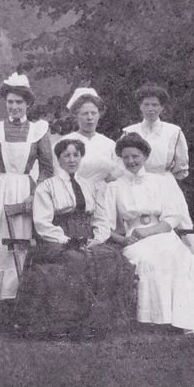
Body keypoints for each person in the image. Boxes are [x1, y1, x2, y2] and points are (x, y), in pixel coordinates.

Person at [18, 138, 135, 336]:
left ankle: (103, 320)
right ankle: (74, 323)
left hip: (87, 239)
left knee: (112, 257)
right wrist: (67, 241)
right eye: (66, 156)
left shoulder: (90, 185)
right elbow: (42, 223)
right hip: (56, 242)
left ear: (81, 157)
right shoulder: (47, 187)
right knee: (77, 260)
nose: (72, 160)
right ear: (59, 159)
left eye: (76, 155)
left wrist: (97, 239)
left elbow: (100, 218)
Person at [106, 133, 194, 333]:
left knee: (184, 260)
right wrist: (123, 239)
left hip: (162, 234)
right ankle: (157, 319)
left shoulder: (160, 182)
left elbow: (172, 218)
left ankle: (183, 319)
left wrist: (148, 231)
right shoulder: (115, 187)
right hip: (134, 240)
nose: (131, 161)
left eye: (135, 156)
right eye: (126, 157)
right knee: (150, 260)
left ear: (145, 157)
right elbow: (106, 226)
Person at [0, 72, 54, 300]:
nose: (14, 107)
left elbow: (47, 169)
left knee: (22, 242)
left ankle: (19, 296)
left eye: (19, 102)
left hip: (27, 190)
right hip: (0, 187)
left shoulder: (38, 130)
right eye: (10, 102)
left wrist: (36, 194)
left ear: (28, 104)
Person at [121, 83, 189, 182]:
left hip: (163, 185)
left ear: (162, 107)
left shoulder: (173, 132)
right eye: (146, 104)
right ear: (140, 106)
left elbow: (180, 168)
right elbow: (121, 163)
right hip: (136, 184)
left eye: (155, 105)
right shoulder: (129, 132)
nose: (150, 109)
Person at [60, 87, 123, 183]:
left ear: (99, 114)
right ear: (76, 115)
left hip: (105, 194)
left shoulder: (109, 144)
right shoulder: (64, 143)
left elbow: (119, 173)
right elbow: (60, 175)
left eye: (93, 113)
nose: (90, 118)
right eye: (85, 113)